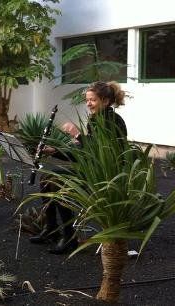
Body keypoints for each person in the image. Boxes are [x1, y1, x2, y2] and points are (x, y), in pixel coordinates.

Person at [29, 81, 127, 254]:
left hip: (105, 177)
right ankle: (51, 229)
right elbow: (84, 153)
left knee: (58, 181)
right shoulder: (96, 119)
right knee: (46, 177)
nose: (88, 104)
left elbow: (99, 152)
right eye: (87, 100)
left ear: (105, 101)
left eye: (93, 100)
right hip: (93, 171)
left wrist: (77, 134)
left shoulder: (113, 121)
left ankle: (69, 237)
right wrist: (54, 151)